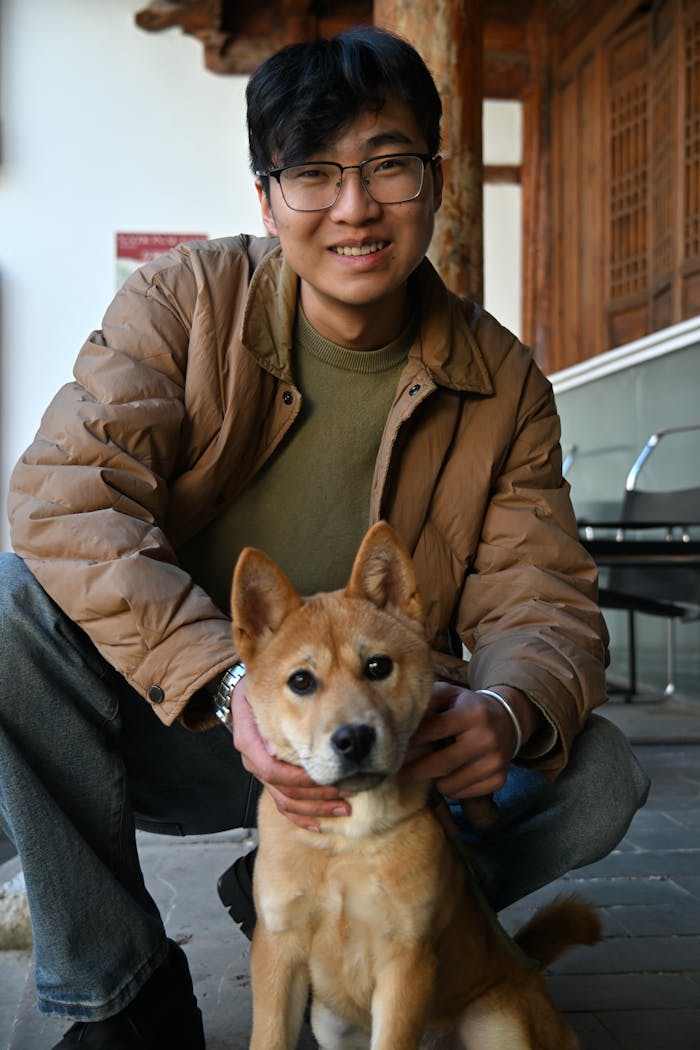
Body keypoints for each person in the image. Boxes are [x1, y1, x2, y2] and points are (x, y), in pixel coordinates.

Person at [0, 24, 648, 1050]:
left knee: (597, 771)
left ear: (434, 180)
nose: (354, 207)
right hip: (178, 726)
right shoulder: (184, 302)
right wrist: (226, 685)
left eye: (388, 165)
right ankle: (121, 991)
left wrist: (503, 705)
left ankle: (306, 907)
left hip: (389, 743)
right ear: (266, 198)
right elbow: (61, 499)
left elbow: (542, 595)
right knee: (11, 604)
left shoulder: (501, 382)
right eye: (313, 174)